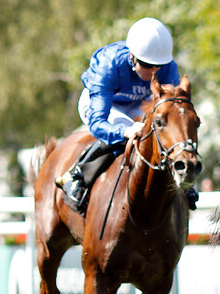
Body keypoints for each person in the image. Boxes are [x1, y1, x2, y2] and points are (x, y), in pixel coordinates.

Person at [57, 17, 198, 215]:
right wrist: (125, 130)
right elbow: (99, 123)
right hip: (103, 104)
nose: (154, 71)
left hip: (137, 104)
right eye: (147, 65)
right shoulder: (108, 65)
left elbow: (171, 111)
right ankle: (78, 174)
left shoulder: (167, 67)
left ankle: (182, 179)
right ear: (132, 56)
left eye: (158, 66)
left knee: (159, 130)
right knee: (127, 133)